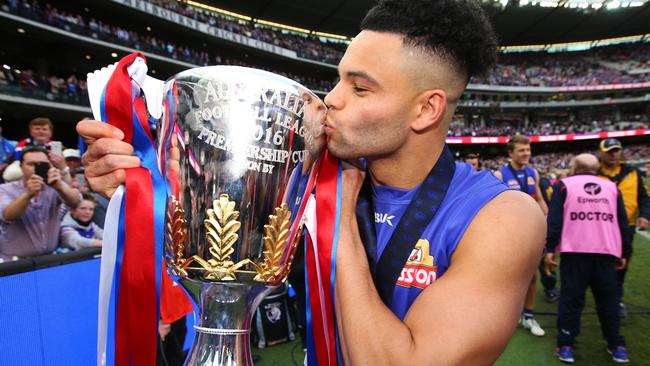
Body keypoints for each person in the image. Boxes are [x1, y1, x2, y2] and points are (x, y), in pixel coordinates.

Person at [77, 0, 546, 363]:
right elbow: (211, 265)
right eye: (338, 80)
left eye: (360, 88)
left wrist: (335, 218)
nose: (332, 100)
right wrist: (147, 193)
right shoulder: (299, 173)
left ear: (426, 109)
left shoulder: (502, 217)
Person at [545, 153, 632, 363]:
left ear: (574, 167)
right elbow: (623, 222)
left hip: (574, 252)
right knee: (609, 302)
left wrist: (549, 248)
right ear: (597, 168)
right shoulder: (612, 187)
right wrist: (624, 252)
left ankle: (566, 344)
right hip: (606, 254)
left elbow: (554, 220)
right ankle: (616, 345)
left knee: (571, 300)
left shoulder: (564, 185)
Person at [494, 135, 548, 337]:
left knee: (532, 276)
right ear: (510, 153)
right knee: (507, 277)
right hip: (509, 235)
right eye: (522, 150)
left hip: (532, 233)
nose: (526, 154)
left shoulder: (532, 171)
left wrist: (547, 220)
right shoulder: (499, 175)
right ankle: (507, 315)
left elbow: (540, 199)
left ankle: (528, 316)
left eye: (528, 150)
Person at [597, 138, 650, 318]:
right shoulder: (593, 173)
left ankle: (615, 300)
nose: (613, 154)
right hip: (600, 228)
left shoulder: (633, 172)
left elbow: (644, 197)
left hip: (626, 227)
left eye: (616, 150)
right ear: (601, 153)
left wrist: (644, 215)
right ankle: (603, 296)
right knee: (601, 265)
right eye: (609, 151)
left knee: (621, 265)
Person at [0, 146, 81, 261]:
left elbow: (75, 202)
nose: (36, 168)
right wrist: (28, 194)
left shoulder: (54, 185)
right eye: (31, 164)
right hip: (15, 265)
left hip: (47, 260)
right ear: (21, 167)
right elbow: (8, 215)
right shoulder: (5, 189)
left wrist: (60, 187)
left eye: (42, 164)